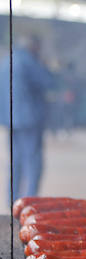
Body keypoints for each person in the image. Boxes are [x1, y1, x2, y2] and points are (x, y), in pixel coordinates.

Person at [0, 34, 57, 200]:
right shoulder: (29, 61)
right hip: (29, 119)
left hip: (10, 119)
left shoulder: (6, 60)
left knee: (15, 161)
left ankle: (12, 200)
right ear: (33, 46)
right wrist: (45, 65)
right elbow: (49, 82)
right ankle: (30, 201)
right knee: (33, 163)